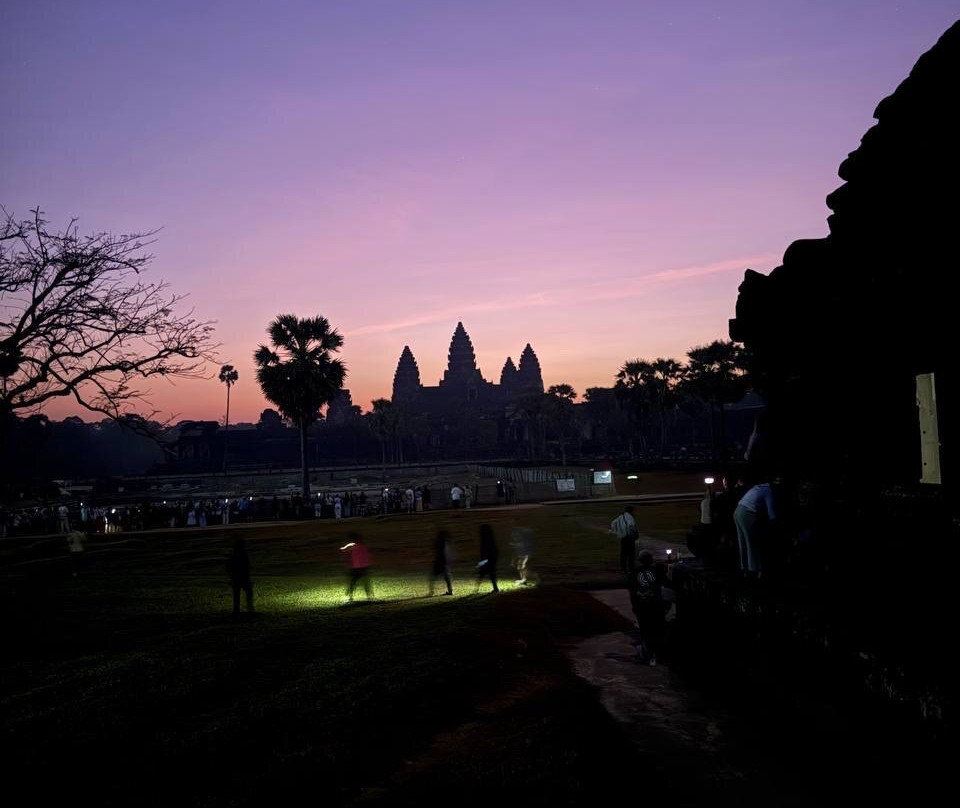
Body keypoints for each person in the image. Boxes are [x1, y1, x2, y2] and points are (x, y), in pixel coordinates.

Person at [734, 480, 777, 578]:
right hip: (747, 513)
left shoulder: (758, 487)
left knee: (743, 542)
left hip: (737, 511)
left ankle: (744, 569)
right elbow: (771, 514)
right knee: (752, 542)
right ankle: (755, 570)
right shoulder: (768, 491)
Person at [629, 551, 665, 665]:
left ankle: (648, 654)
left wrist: (634, 605)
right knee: (656, 630)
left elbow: (633, 592)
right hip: (655, 606)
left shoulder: (635, 573)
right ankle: (655, 654)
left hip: (642, 606)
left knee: (645, 631)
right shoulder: (657, 571)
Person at [341, 534, 373, 601]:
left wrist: (344, 547)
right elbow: (367, 556)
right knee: (365, 582)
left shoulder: (354, 545)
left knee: (353, 582)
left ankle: (350, 596)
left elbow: (344, 550)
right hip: (364, 567)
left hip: (356, 568)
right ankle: (369, 596)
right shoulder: (363, 546)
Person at [226, 537, 254, 615]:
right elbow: (248, 566)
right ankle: (249, 607)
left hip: (236, 577)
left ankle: (236, 609)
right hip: (243, 577)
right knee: (248, 592)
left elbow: (229, 566)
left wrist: (231, 576)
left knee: (236, 595)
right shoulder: (243, 554)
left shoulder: (233, 554)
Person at [609, 505, 639, 575]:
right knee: (631, 554)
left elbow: (612, 524)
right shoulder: (630, 517)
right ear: (631, 511)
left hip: (623, 538)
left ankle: (623, 569)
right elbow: (631, 526)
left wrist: (618, 532)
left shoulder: (620, 517)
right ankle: (631, 569)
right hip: (629, 538)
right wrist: (634, 534)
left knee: (623, 554)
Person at [429, 529, 454, 596]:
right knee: (447, 578)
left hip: (439, 562)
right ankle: (450, 591)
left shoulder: (440, 542)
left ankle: (431, 592)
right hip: (444, 562)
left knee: (433, 577)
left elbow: (433, 547)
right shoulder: (445, 542)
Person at [476, 524, 499, 593]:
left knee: (484, 573)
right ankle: (495, 588)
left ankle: (476, 588)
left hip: (488, 558)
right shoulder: (490, 538)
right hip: (491, 558)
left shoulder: (485, 539)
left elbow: (484, 550)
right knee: (490, 573)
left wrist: (483, 559)